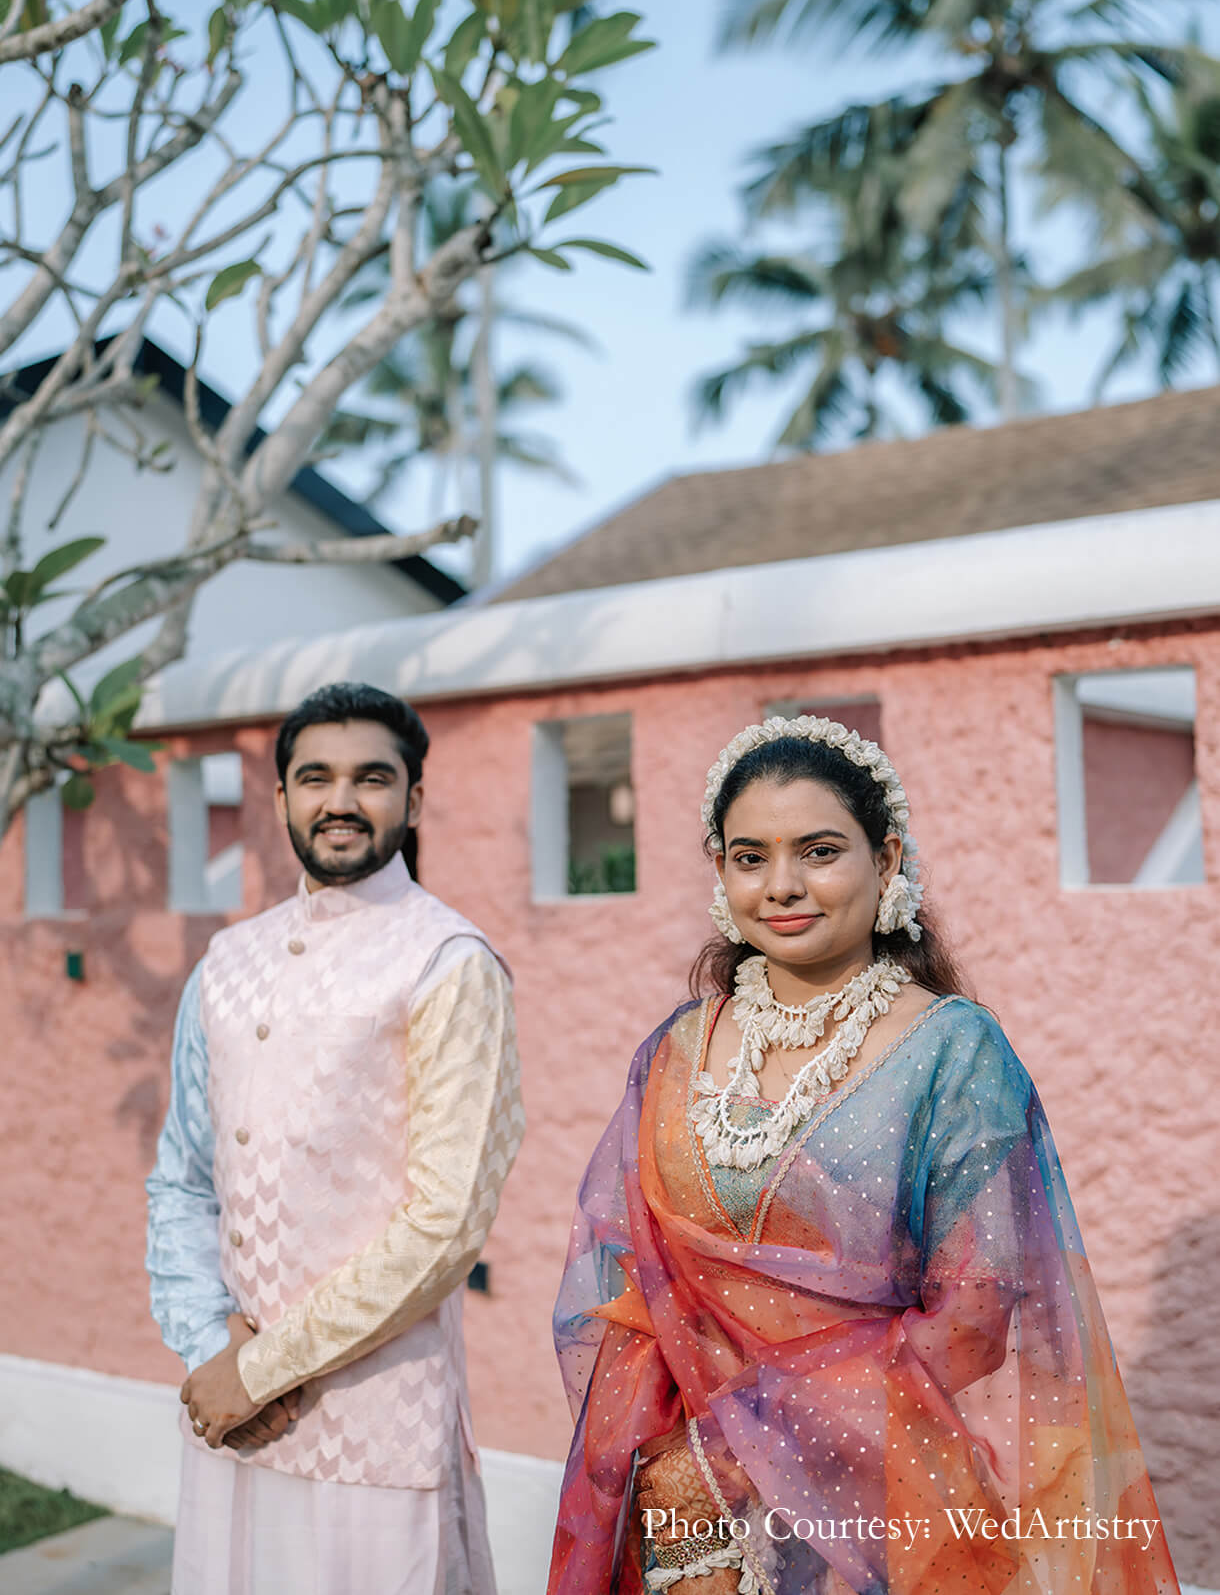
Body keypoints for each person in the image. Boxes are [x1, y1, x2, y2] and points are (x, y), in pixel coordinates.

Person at [548, 716, 1179, 1595]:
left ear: (884, 863)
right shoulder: (678, 1049)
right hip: (690, 1519)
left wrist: (755, 1444)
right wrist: (681, 1460)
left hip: (877, 1497)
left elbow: (976, 1310)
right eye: (749, 857)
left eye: (817, 851)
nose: (782, 886)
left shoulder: (952, 1049)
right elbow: (629, 1285)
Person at [146, 682, 525, 1595]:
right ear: (279, 800)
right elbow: (184, 1180)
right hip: (237, 1422)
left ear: (415, 800)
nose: (341, 801)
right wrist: (210, 1347)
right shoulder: (226, 963)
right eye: (314, 778)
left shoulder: (450, 963)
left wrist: (262, 1367)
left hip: (377, 1428)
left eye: (372, 778)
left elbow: (444, 1229)